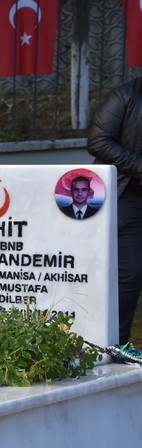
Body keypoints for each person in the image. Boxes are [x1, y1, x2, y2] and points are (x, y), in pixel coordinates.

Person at [87, 76, 142, 345]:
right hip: (129, 194)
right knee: (130, 272)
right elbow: (98, 141)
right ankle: (116, 346)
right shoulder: (125, 96)